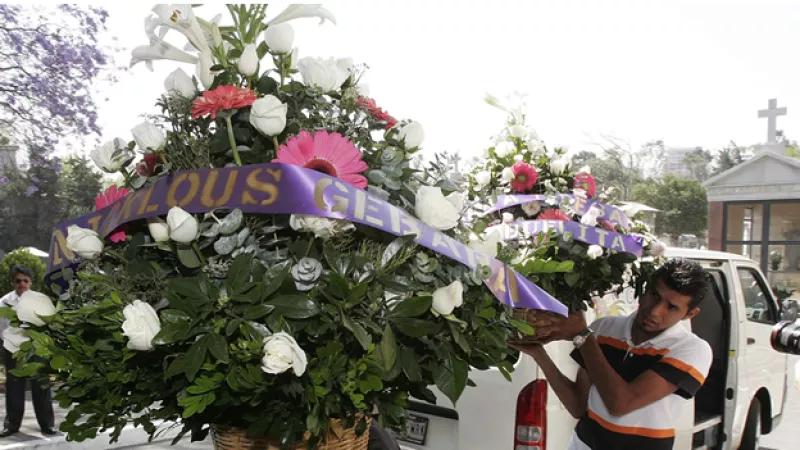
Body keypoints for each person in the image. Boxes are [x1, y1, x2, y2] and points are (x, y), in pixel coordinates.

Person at [510, 258, 712, 450]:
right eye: (655, 295)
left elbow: (620, 404)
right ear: (645, 289)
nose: (655, 311)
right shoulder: (604, 329)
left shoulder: (693, 350)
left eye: (672, 307)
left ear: (689, 314)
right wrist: (539, 355)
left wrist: (583, 336)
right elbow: (578, 406)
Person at [0, 266, 56, 437]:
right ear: (13, 282)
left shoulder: (39, 300)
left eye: (25, 280)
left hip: (36, 349)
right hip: (12, 350)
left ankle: (47, 424)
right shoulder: (4, 302)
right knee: (14, 388)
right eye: (18, 280)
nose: (22, 284)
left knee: (41, 386)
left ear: (31, 282)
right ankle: (12, 425)